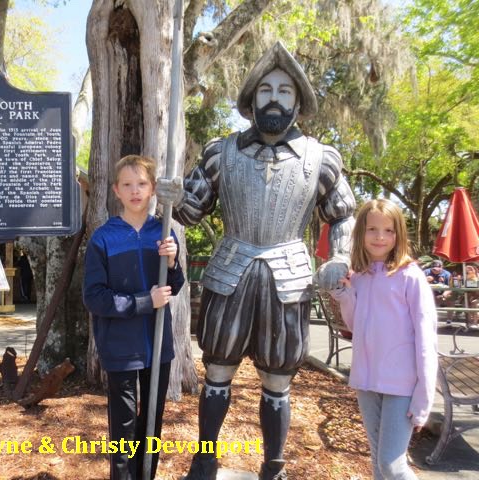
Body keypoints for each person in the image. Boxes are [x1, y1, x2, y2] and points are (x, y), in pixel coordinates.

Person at [157, 41, 356, 480]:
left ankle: (274, 466)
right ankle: (205, 459)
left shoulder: (321, 159)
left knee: (278, 378)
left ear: (298, 101)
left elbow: (342, 213)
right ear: (251, 99)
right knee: (218, 368)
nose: (274, 98)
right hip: (231, 269)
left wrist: (340, 254)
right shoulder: (219, 152)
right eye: (266, 89)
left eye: (285, 91)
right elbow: (191, 212)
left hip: (288, 276)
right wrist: (171, 198)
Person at [83, 155, 185, 480]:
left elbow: (175, 287)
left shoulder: (164, 233)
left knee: (152, 423)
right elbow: (94, 297)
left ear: (153, 188)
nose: (135, 190)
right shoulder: (103, 238)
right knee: (123, 429)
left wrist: (172, 265)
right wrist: (145, 301)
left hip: (158, 346)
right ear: (116, 190)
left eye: (142, 183)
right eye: (127, 185)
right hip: (120, 348)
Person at [329, 199, 438, 480]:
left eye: (388, 230)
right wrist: (345, 296)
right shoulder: (360, 276)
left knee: (392, 465)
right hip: (367, 383)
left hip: (401, 387)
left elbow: (427, 342)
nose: (380, 237)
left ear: (398, 233)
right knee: (379, 464)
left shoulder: (410, 276)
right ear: (360, 233)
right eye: (372, 229)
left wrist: (423, 398)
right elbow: (356, 326)